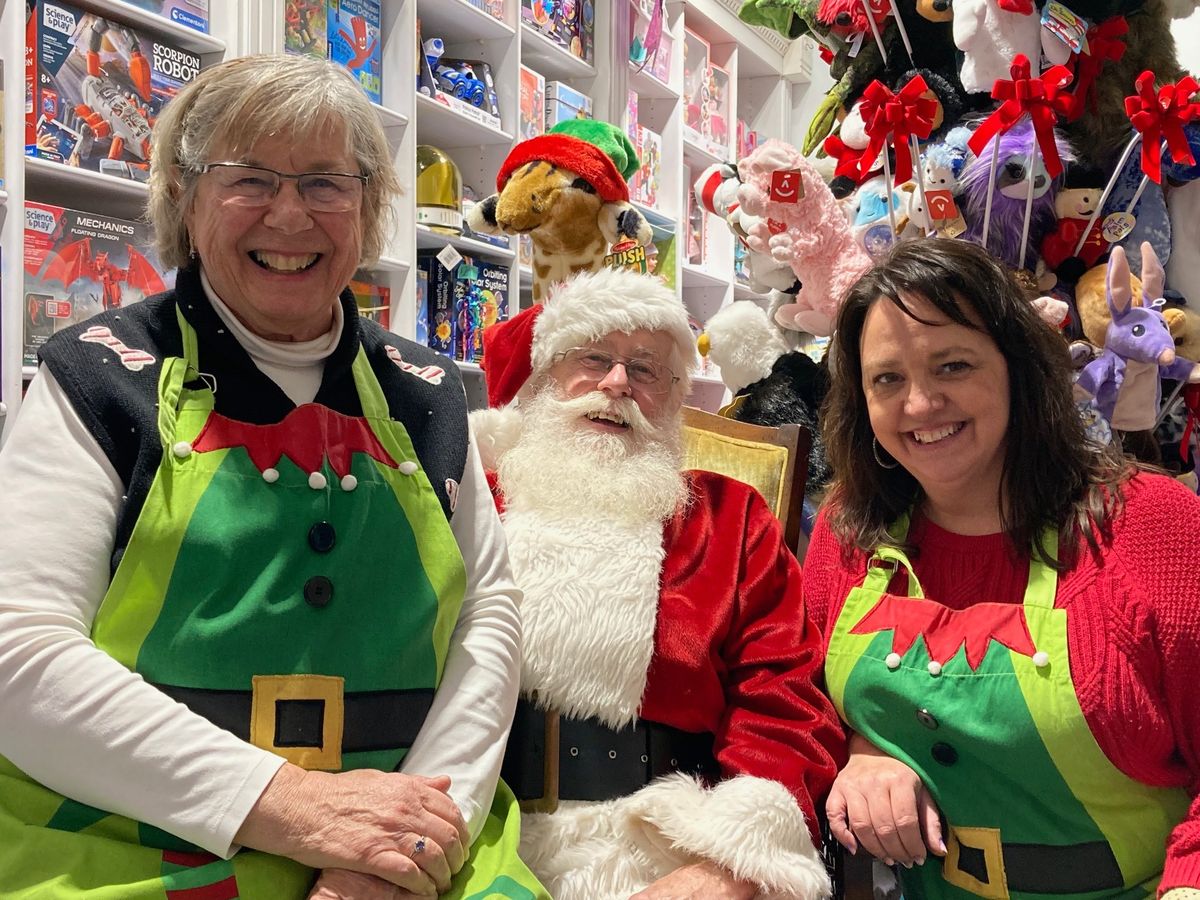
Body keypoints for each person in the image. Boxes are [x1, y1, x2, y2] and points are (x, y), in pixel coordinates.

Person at [0, 54, 545, 900]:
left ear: (368, 209)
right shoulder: (97, 377)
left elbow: (490, 619)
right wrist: (290, 806)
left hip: (409, 842)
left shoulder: (433, 393)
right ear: (185, 197)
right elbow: (18, 652)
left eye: (328, 183)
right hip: (124, 845)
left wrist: (411, 849)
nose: (291, 215)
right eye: (250, 178)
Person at [804, 238, 1200, 897]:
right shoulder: (850, 529)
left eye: (953, 365)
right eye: (888, 379)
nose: (921, 404)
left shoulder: (1152, 525)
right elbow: (797, 703)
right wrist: (858, 752)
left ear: (1017, 368)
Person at [470, 266, 847, 900]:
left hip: (670, 850)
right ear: (545, 376)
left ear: (674, 396)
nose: (617, 384)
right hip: (482, 840)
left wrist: (728, 867)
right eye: (593, 358)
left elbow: (786, 700)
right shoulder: (473, 505)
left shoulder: (730, 519)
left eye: (645, 369)